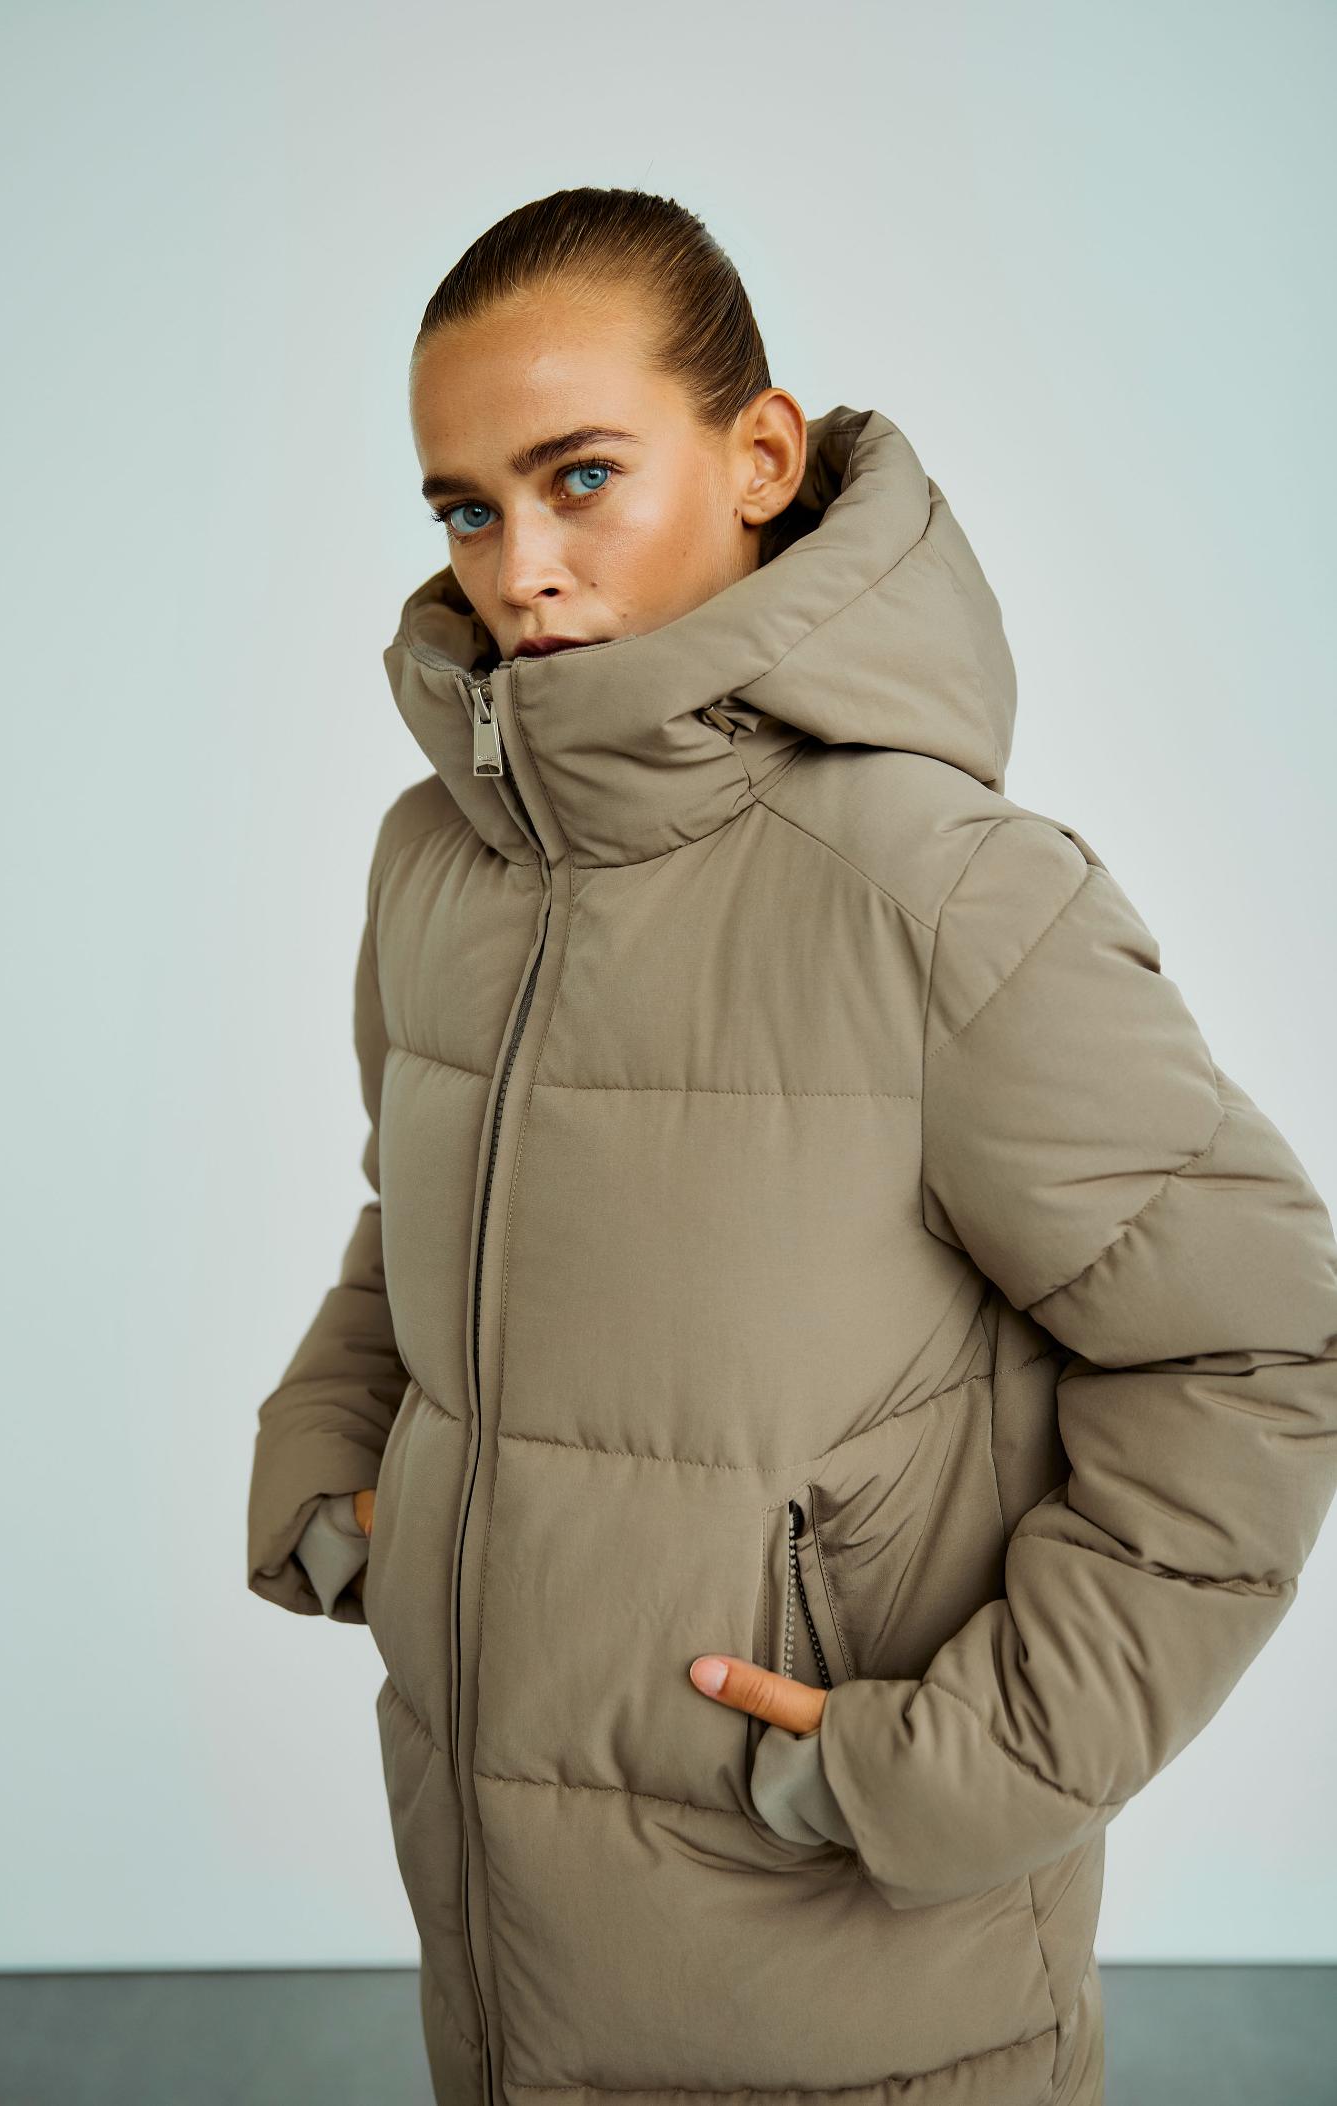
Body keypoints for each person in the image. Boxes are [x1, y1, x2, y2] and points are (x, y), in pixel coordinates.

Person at [246, 187, 1337, 2106]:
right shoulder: (438, 862)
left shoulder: (942, 893)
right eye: (467, 509)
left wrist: (958, 1759)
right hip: (504, 1949)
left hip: (852, 1970)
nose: (521, 568)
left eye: (582, 477)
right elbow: (412, 1205)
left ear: (759, 457)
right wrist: (345, 1484)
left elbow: (1257, 1345)